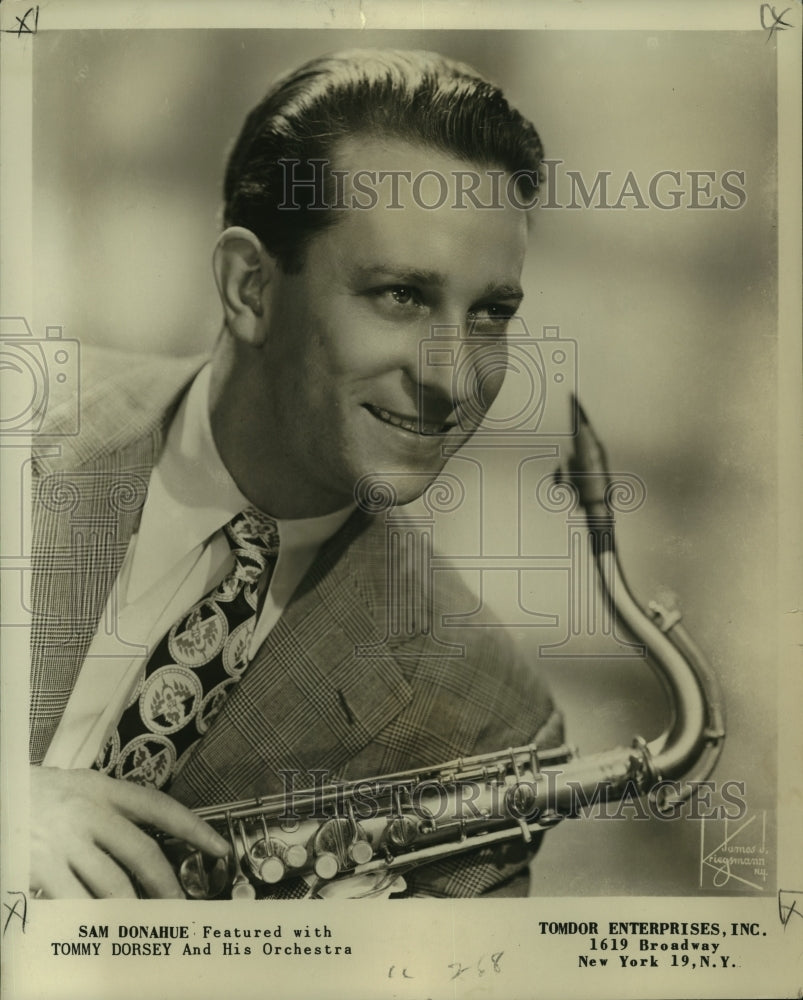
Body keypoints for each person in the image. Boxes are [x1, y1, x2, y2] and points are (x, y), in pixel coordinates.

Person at [29, 48, 563, 899]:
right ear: (249, 287)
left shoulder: (489, 725)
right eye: (401, 296)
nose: (454, 379)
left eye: (491, 312)